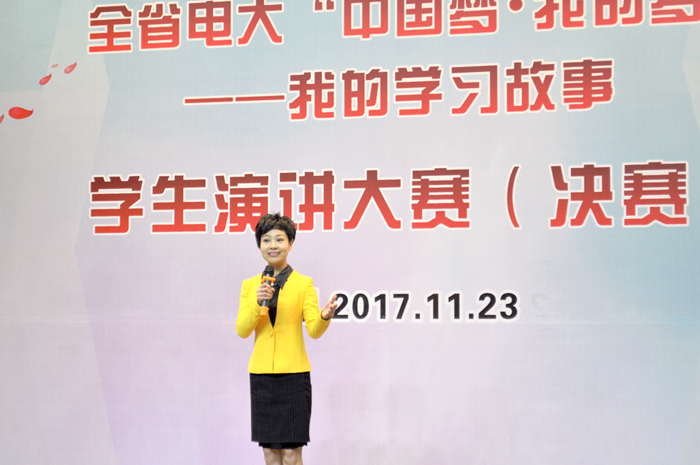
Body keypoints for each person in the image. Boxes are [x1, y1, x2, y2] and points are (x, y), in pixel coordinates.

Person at [236, 213, 337, 465]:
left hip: (293, 377)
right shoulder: (250, 286)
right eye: (266, 240)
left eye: (279, 239)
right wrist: (257, 302)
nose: (273, 245)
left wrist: (324, 316)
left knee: (292, 453)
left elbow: (313, 330)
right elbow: (242, 329)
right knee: (270, 453)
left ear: (290, 243)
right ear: (259, 245)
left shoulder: (304, 284)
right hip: (262, 377)